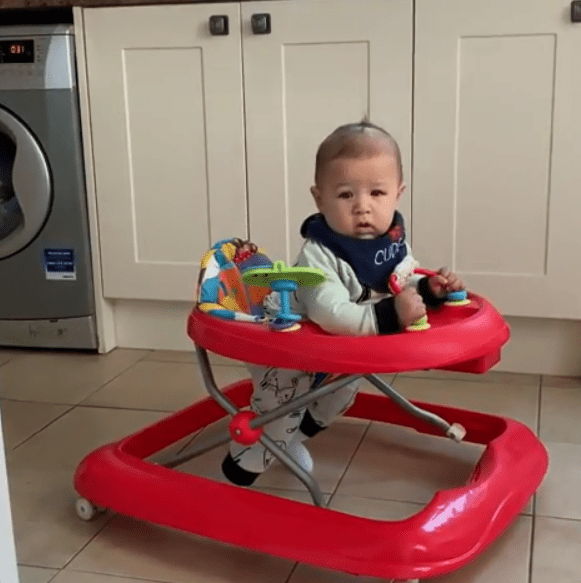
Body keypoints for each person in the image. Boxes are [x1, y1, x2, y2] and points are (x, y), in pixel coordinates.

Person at [221, 120, 465, 486]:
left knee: (340, 395)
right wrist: (388, 316)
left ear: (398, 194)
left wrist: (429, 290)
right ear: (320, 199)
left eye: (377, 194)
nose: (363, 208)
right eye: (346, 195)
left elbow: (398, 278)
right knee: (279, 407)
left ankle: (295, 438)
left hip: (336, 350)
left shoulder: (389, 242)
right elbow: (330, 312)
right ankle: (242, 469)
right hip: (287, 347)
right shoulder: (319, 254)